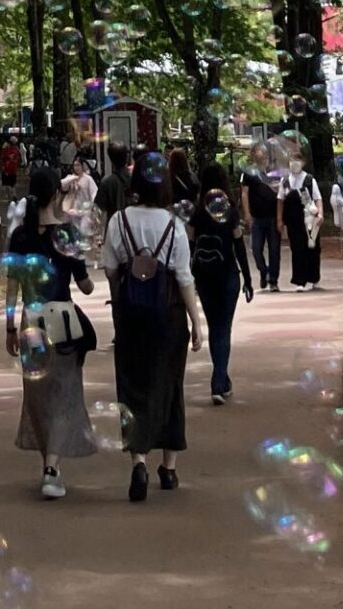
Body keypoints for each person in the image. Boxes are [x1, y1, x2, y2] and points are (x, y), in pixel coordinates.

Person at [101, 150, 204, 500]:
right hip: (169, 316)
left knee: (133, 387)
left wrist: (122, 303)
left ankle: (139, 462)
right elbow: (185, 278)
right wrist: (196, 321)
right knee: (170, 385)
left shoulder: (118, 221)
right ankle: (170, 468)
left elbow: (111, 270)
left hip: (131, 318)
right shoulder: (174, 225)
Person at [5, 168, 98, 500]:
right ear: (56, 196)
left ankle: (49, 464)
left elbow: (12, 287)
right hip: (61, 317)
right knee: (64, 394)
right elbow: (86, 288)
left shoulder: (20, 235)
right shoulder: (68, 235)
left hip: (31, 317)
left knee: (38, 396)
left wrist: (9, 327)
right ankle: (51, 468)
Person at [188, 168, 253, 403]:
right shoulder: (230, 211)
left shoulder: (197, 213)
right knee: (223, 328)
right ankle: (218, 383)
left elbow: (191, 245)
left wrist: (190, 274)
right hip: (227, 274)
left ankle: (222, 380)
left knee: (216, 326)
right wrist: (248, 277)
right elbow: (239, 246)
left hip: (205, 276)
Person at [244, 155, 283, 290]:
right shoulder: (249, 172)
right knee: (255, 249)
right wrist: (247, 213)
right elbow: (244, 193)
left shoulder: (276, 173)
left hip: (272, 216)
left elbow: (281, 194)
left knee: (274, 250)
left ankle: (273, 280)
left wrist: (280, 218)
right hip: (257, 217)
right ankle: (263, 270)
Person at [284, 163, 324, 289]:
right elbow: (280, 200)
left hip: (310, 217)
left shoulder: (309, 179)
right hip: (293, 219)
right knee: (297, 249)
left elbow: (317, 198)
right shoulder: (285, 181)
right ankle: (299, 280)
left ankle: (314, 277)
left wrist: (320, 214)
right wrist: (280, 220)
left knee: (312, 247)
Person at [96, 140, 133, 221]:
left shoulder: (106, 182)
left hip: (114, 225)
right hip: (132, 225)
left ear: (110, 159)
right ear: (127, 157)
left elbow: (99, 210)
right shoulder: (135, 179)